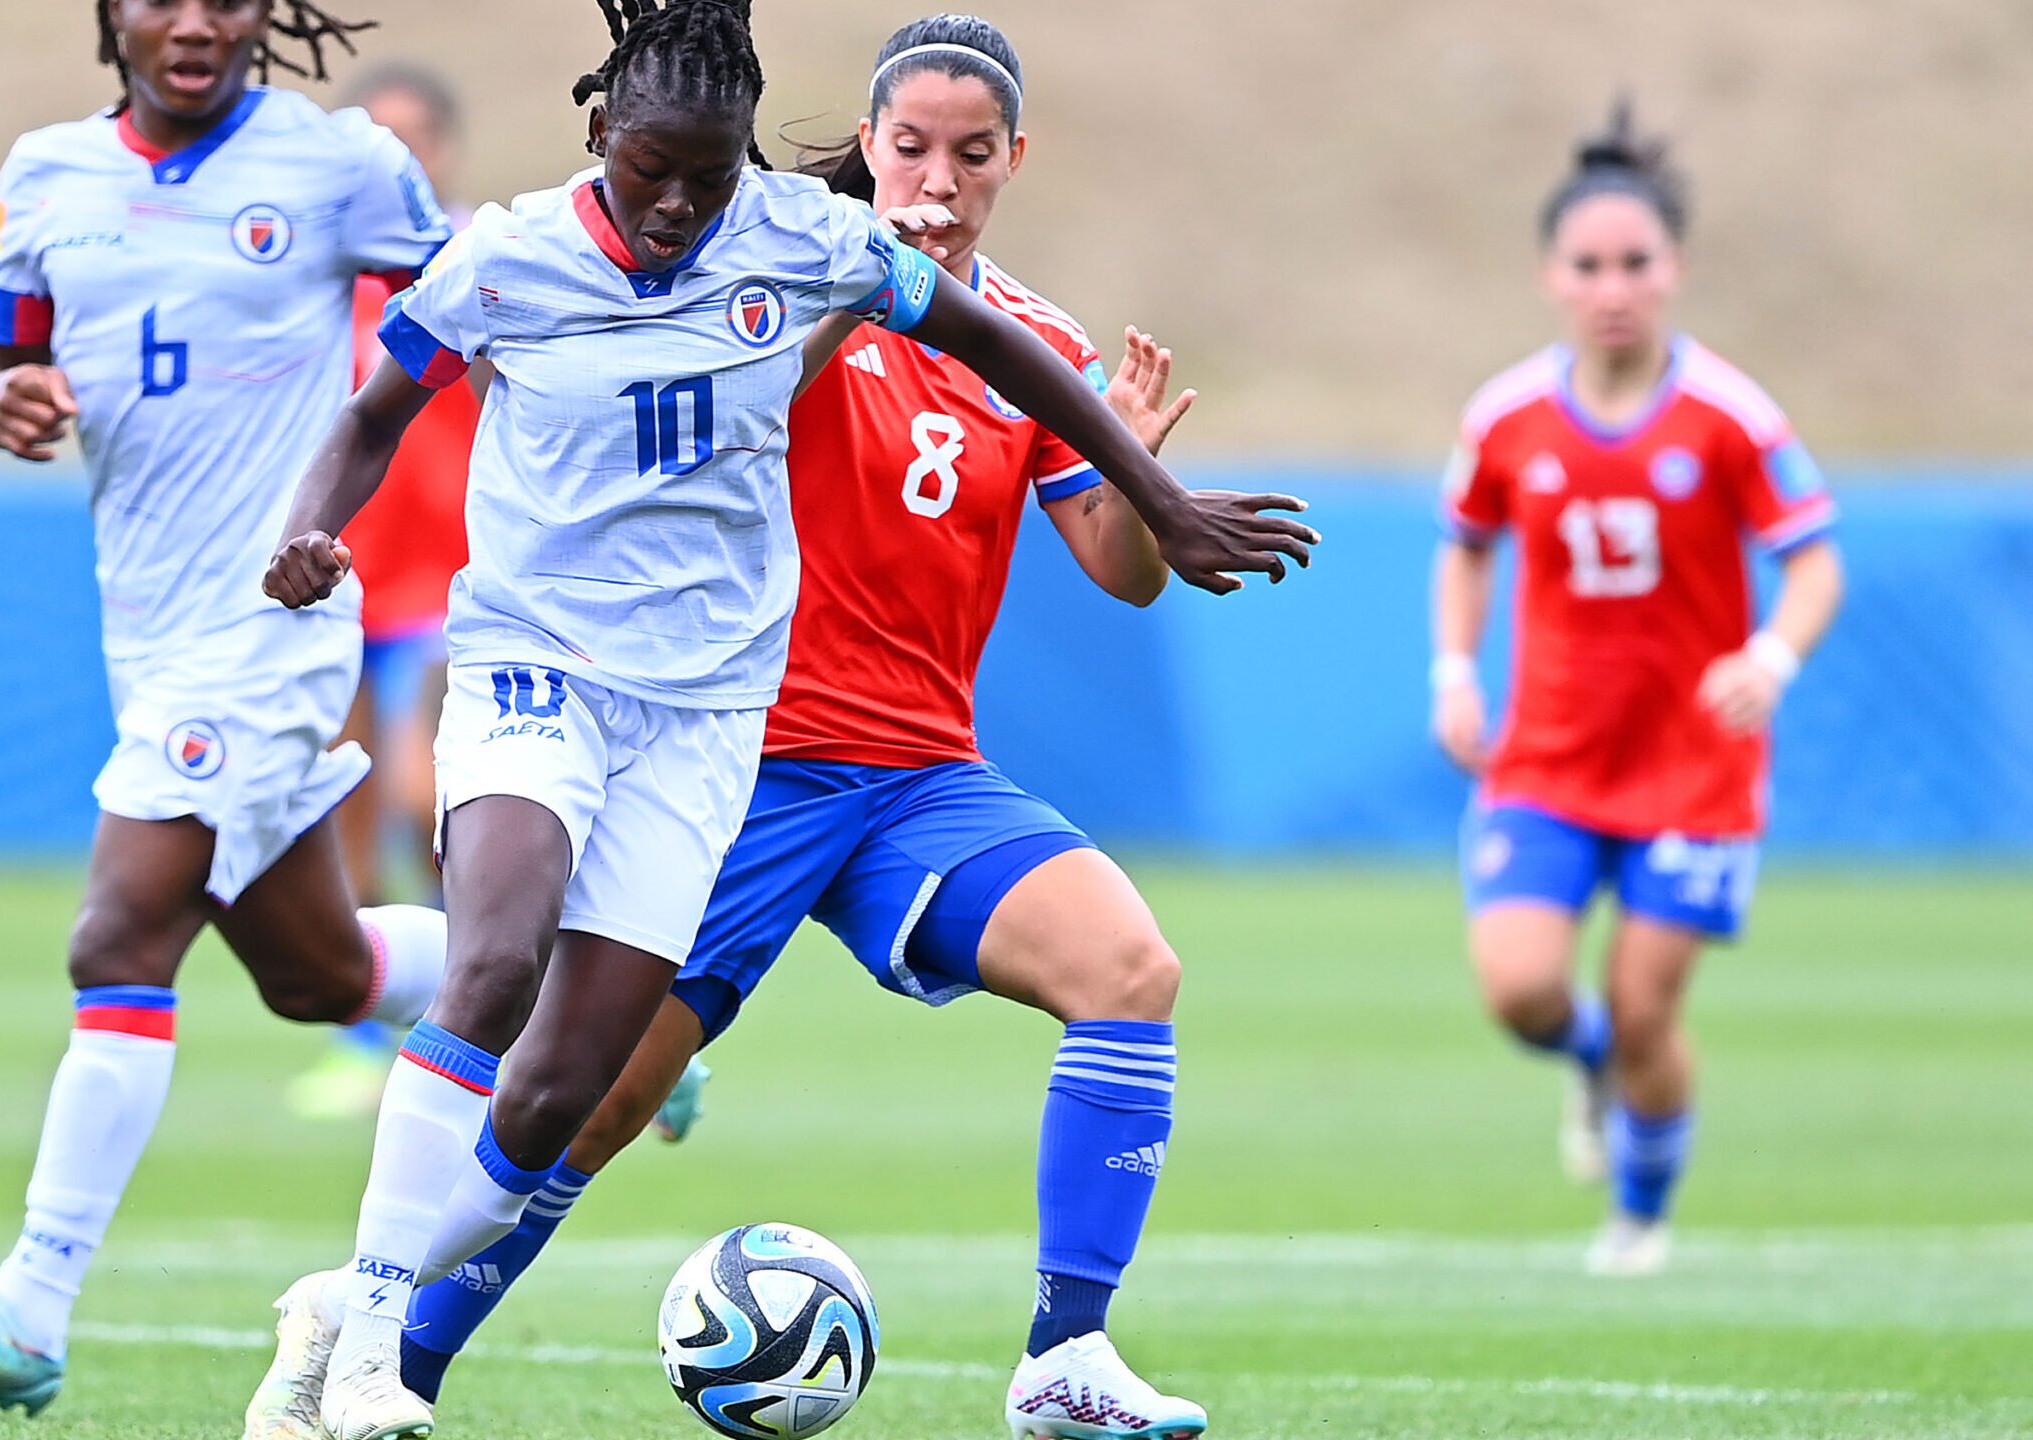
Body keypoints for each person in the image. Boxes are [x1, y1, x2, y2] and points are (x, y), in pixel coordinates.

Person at [240, 4, 1317, 1436]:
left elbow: (1115, 576)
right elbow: (695, 399)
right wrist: (836, 310)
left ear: (1011, 161)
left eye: (971, 153)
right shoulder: (773, 270)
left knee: (1129, 967)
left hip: (917, 773)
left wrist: (1140, 487)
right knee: (594, 1099)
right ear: (865, 146)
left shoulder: (1026, 339)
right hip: (738, 751)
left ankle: (1067, 1359)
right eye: (912, 146)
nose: (939, 176)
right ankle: (390, 1341)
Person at [0, 0, 457, 1414]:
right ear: (112, 13)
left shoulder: (341, 164)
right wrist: (1, 401)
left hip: (278, 614)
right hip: (151, 628)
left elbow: (494, 307)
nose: (196, 21)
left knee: (119, 925)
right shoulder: (49, 172)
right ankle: (569, 996)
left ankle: (31, 1309)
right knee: (321, 980)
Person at [1430, 101, 1843, 1276]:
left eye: (1635, 263)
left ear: (1674, 270)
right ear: (1550, 275)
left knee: (1648, 1000)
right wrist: (1455, 669)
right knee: (1519, 991)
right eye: (1588, 265)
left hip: (1690, 767)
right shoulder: (1505, 416)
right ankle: (1591, 1062)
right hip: (1549, 756)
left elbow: (1813, 559)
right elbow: (1463, 545)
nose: (1613, 286)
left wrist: (1768, 658)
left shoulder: (1729, 416)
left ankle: (1640, 1212)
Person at [290, 62, 481, 1122]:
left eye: (412, 137)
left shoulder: (469, 260)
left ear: (443, 149)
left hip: (450, 579)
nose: (395, 158)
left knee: (431, 801)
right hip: (339, 577)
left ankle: (497, 1015)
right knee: (349, 816)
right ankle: (372, 1039)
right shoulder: (323, 272)